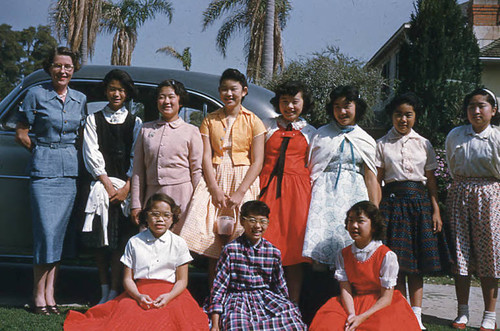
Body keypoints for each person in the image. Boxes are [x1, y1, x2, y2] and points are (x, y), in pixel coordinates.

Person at [64, 193, 209, 330]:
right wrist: (138, 297)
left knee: (174, 319)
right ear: (146, 216)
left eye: (166, 215)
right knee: (127, 318)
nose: (160, 219)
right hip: (139, 292)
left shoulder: (179, 243)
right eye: (155, 214)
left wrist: (169, 297)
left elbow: (182, 281)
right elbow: (127, 279)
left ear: (173, 219)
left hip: (172, 293)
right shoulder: (134, 242)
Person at [15, 46, 87, 315]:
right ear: (49, 68)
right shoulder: (36, 94)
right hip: (43, 170)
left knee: (57, 234)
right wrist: (42, 151)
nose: (63, 71)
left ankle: (50, 294)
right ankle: (37, 294)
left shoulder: (80, 99)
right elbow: (21, 133)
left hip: (69, 171)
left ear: (73, 69)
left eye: (67, 66)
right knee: (45, 233)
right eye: (58, 66)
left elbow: (81, 135)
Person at [180, 68, 266, 285]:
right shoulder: (210, 120)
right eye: (224, 90)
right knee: (214, 240)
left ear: (244, 91)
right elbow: (206, 158)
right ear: (219, 92)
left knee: (241, 236)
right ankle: (214, 296)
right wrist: (215, 190)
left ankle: (240, 295)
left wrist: (240, 192)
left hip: (243, 180)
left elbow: (257, 161)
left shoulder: (254, 121)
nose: (229, 94)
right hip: (215, 178)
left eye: (233, 89)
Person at [376, 92, 452, 329]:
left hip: (419, 205)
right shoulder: (381, 144)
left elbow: (431, 182)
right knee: (396, 263)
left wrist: (436, 211)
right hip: (392, 205)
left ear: (415, 116)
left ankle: (416, 315)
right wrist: (377, 212)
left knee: (417, 263)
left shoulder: (424, 144)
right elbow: (377, 181)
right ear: (392, 116)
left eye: (408, 115)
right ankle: (399, 311)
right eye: (398, 115)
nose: (403, 119)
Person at [309, 201, 421, 331]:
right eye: (351, 221)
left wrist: (362, 317)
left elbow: (386, 298)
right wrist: (352, 315)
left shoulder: (386, 256)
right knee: (329, 323)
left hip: (380, 304)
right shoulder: (343, 255)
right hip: (352, 302)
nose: (354, 226)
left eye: (360, 221)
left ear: (373, 226)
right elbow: (345, 289)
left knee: (381, 326)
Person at [82, 69, 142, 304]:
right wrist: (106, 184)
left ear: (127, 93)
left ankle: (115, 290)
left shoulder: (135, 122)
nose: (116, 94)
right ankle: (103, 288)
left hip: (124, 191)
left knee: (119, 242)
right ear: (106, 91)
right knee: (100, 242)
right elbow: (91, 153)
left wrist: (126, 188)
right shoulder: (93, 119)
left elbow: (136, 157)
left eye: (121, 89)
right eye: (112, 89)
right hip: (100, 187)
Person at [303, 85, 380, 265]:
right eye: (337, 106)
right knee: (322, 241)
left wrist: (374, 209)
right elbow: (311, 169)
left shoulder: (366, 139)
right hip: (324, 194)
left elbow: (370, 176)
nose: (342, 111)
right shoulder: (320, 135)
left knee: (351, 239)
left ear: (357, 107)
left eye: (347, 106)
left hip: (354, 193)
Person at [446, 88, 500, 331]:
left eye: (482, 106)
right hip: (460, 194)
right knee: (461, 252)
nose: (476, 111)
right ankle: (462, 311)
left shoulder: (497, 138)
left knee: (490, 254)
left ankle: (489, 313)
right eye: (471, 106)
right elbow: (450, 164)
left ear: (493, 110)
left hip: (490, 196)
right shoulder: (456, 135)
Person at [206, 200, 307, 331]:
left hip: (266, 299)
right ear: (242, 221)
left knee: (293, 324)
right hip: (237, 300)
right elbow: (219, 288)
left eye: (263, 221)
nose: (258, 226)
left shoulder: (273, 252)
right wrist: (215, 324)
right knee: (238, 327)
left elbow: (280, 287)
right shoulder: (230, 250)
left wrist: (287, 307)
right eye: (252, 220)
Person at [259, 80, 316, 304]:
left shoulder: (311, 132)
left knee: (293, 254)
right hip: (268, 191)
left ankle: (292, 305)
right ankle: (264, 301)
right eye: (285, 102)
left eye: (295, 102)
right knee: (266, 248)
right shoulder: (266, 126)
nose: (289, 107)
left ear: (303, 103)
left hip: (298, 196)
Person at [130, 79, 202, 234]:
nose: (166, 101)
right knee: (151, 242)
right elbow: (137, 170)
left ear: (180, 100)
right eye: (162, 97)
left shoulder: (191, 131)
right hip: (152, 196)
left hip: (183, 196)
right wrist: (136, 204)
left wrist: (199, 204)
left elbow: (196, 170)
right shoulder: (145, 130)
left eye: (171, 96)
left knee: (179, 243)